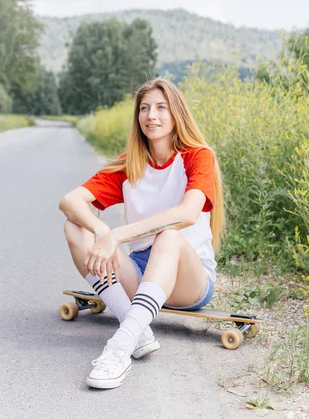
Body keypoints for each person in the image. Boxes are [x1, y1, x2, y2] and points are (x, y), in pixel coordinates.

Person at [59, 77, 225, 389]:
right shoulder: (130, 165)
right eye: (145, 108)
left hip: (189, 277)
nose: (152, 115)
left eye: (162, 107)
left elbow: (188, 214)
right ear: (138, 118)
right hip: (141, 273)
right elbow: (69, 202)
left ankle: (119, 348)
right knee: (74, 226)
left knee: (169, 235)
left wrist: (117, 235)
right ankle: (136, 328)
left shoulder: (197, 156)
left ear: (176, 114)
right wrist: (100, 229)